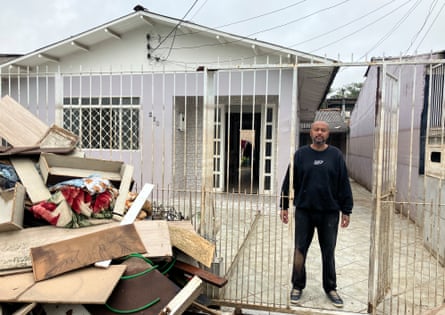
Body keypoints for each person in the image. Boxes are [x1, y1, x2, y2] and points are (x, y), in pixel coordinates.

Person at [279, 120, 353, 308]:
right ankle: (297, 286)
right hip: (304, 211)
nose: (319, 132)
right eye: (316, 129)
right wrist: (283, 206)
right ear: (310, 132)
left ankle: (330, 288)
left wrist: (347, 210)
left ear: (328, 134)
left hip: (329, 213)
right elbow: (289, 180)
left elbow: (344, 183)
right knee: (299, 250)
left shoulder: (336, 155)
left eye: (323, 130)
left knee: (328, 252)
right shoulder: (301, 155)